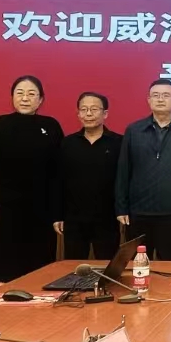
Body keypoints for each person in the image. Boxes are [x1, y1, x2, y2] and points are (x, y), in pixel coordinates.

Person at [0, 75, 64, 282]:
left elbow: (58, 171)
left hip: (40, 212)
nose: (25, 98)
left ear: (40, 100)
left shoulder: (51, 126)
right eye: (20, 93)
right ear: (12, 97)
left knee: (39, 267)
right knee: (2, 263)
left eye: (31, 94)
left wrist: (57, 212)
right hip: (2, 210)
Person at [116, 79, 171, 261]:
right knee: (137, 266)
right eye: (156, 95)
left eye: (166, 95)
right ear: (149, 100)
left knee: (169, 265)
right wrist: (121, 208)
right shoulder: (134, 130)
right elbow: (123, 171)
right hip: (138, 213)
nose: (160, 99)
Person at [55, 92, 122, 261]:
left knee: (108, 266)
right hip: (74, 219)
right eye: (83, 109)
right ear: (78, 114)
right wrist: (58, 215)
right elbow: (58, 181)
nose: (88, 114)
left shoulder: (119, 143)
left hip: (108, 218)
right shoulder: (67, 143)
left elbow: (124, 180)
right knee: (73, 267)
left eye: (94, 109)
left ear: (105, 113)